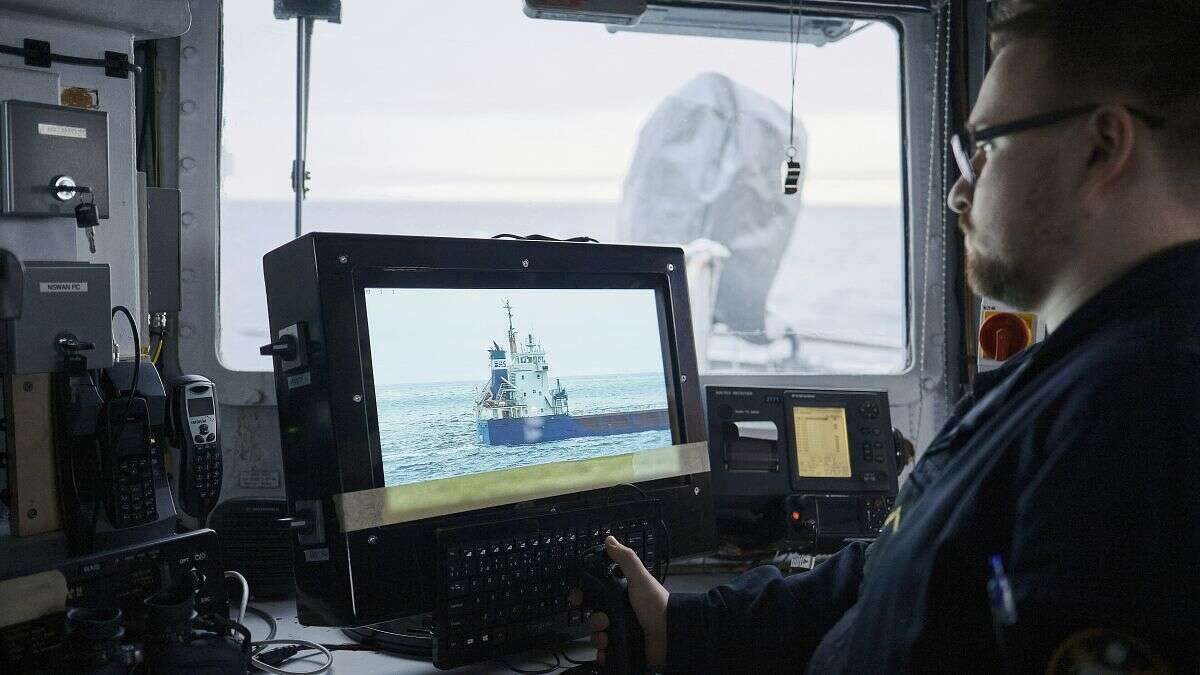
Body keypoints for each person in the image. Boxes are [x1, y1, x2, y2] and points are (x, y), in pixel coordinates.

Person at [571, 1, 1200, 671]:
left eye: (984, 145)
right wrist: (685, 627)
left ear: (1103, 146)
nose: (961, 191)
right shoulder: (1068, 377)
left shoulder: (1148, 410)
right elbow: (892, 567)